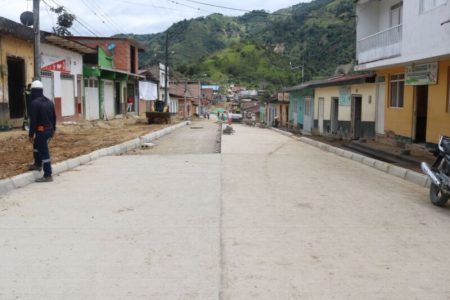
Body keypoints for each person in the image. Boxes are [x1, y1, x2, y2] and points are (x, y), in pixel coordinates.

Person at [28, 80, 56, 182]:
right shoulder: (50, 102)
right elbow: (54, 118)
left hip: (41, 131)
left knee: (44, 151)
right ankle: (37, 164)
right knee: (37, 145)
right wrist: (53, 130)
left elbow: (33, 121)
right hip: (49, 130)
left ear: (33, 91)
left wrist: (31, 134)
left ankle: (48, 175)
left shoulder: (34, 103)